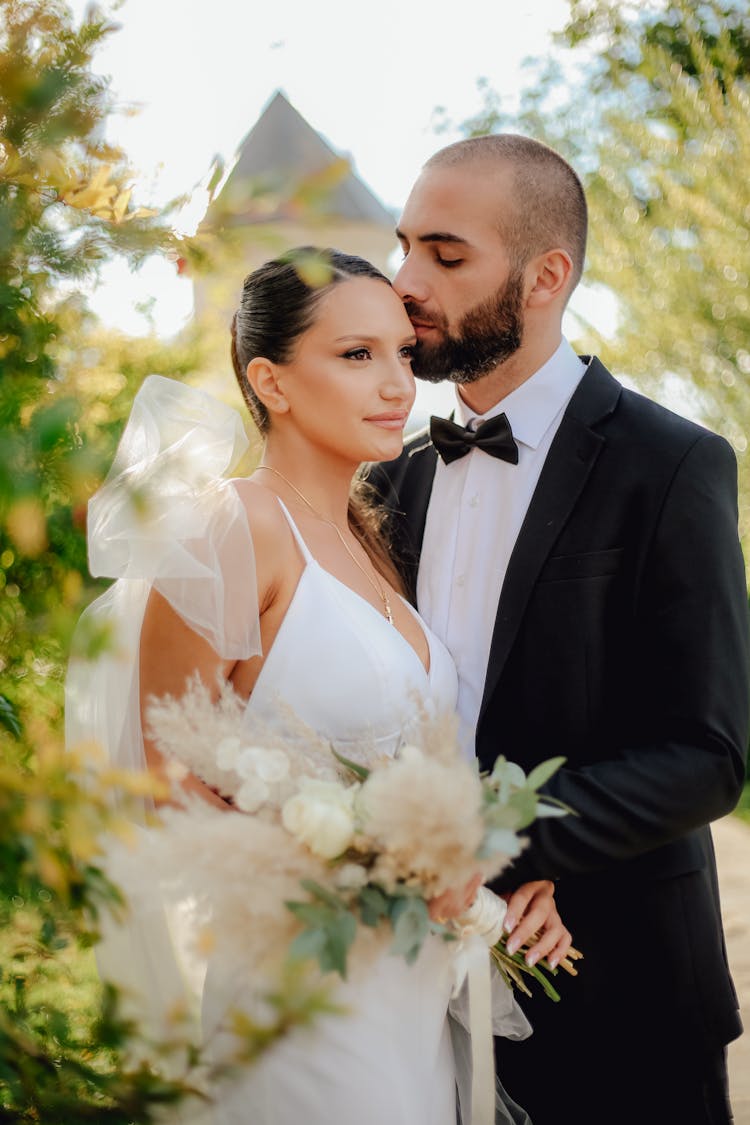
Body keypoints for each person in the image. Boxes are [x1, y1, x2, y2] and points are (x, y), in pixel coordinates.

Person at [66, 246, 571, 1125]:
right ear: (271, 381)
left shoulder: (375, 543)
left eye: (403, 355)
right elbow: (161, 785)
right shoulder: (228, 527)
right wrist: (370, 863)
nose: (398, 385)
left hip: (411, 991)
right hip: (301, 996)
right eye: (356, 355)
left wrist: (479, 874)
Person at [373, 135, 750, 1125]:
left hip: (617, 992)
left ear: (546, 277)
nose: (405, 282)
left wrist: (508, 848)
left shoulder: (673, 465)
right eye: (403, 245)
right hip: (415, 999)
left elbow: (708, 755)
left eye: (446, 257)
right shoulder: (389, 481)